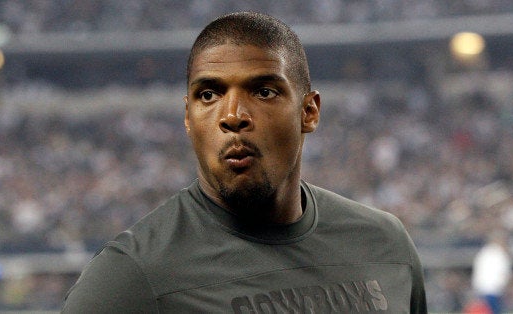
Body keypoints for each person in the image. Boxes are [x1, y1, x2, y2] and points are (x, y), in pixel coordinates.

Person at [62, 12, 427, 313]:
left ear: (309, 111)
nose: (233, 115)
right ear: (188, 117)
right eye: (208, 94)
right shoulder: (130, 276)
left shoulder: (386, 245)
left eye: (263, 91)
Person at [471, 231, 513, 314]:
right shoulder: (500, 254)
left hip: (481, 288)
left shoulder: (483, 252)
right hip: (494, 289)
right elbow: (504, 273)